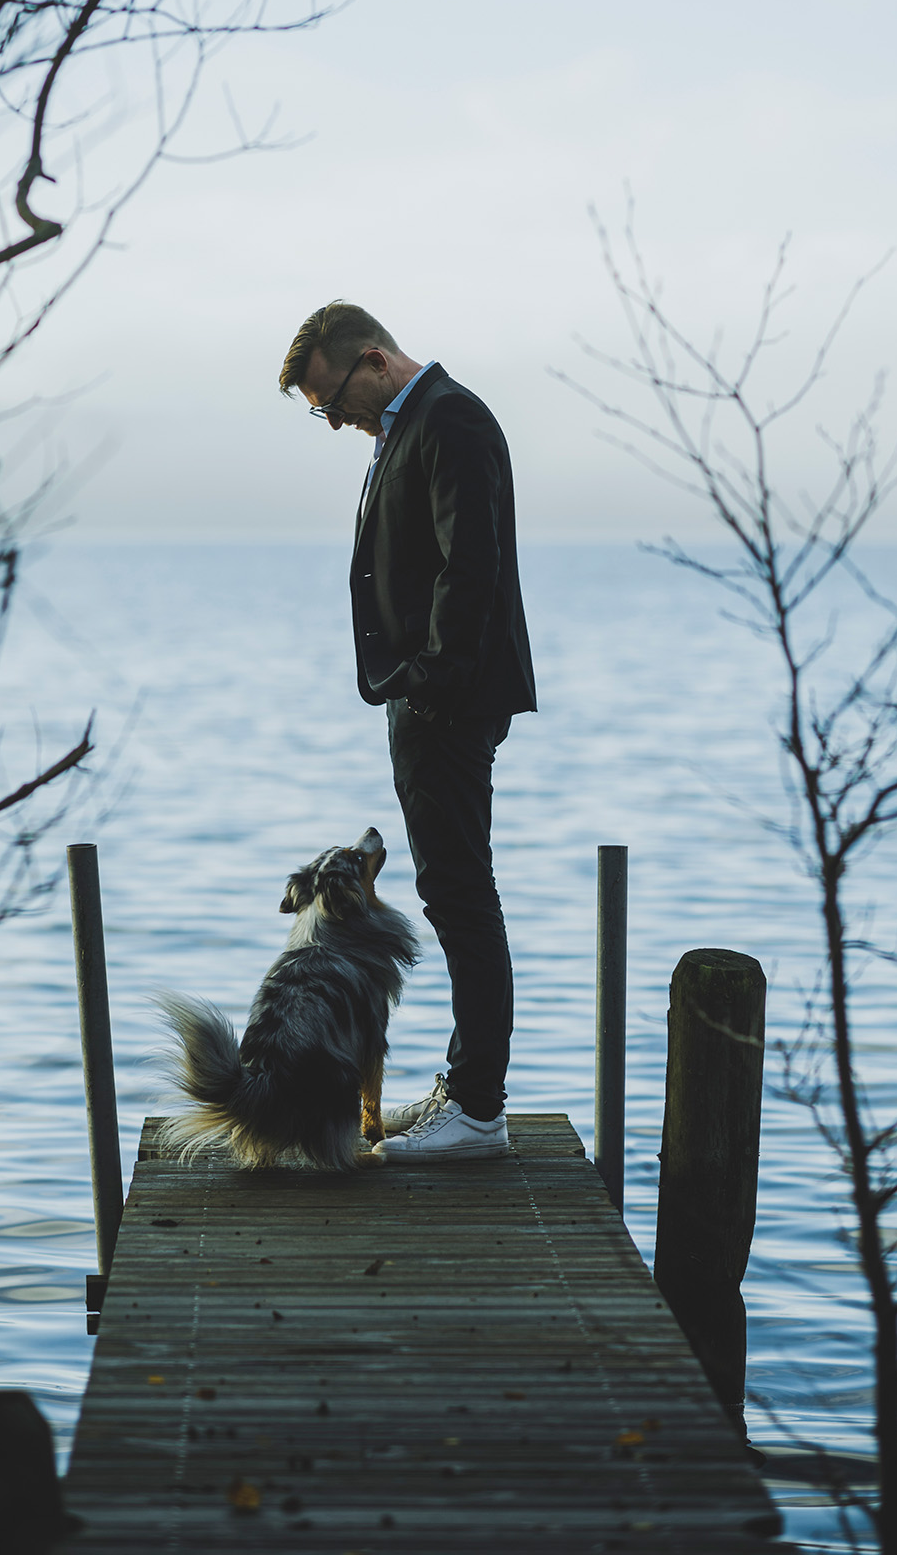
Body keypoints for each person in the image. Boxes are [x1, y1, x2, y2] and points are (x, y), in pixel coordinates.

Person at [279, 300, 536, 1160]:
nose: (335, 419)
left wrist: (428, 685)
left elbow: (472, 566)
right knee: (450, 890)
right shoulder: (410, 426)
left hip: (448, 700)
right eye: (322, 410)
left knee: (461, 895)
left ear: (376, 361)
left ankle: (478, 1111)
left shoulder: (448, 418)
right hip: (428, 695)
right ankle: (467, 1090)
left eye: (332, 400)